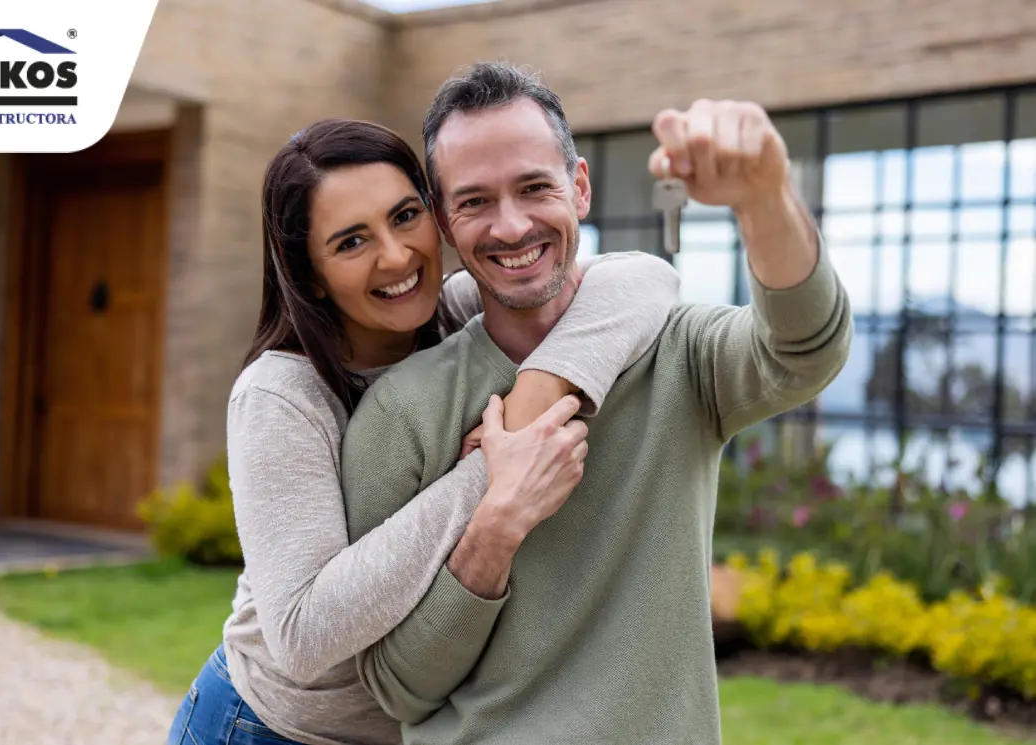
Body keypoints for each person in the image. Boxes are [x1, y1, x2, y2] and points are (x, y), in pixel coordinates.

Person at [339, 63, 853, 744]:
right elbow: (400, 687)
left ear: (578, 187)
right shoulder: (399, 414)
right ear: (442, 220)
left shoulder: (680, 353)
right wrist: (495, 528)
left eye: (534, 187)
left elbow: (805, 350)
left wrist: (763, 199)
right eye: (475, 201)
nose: (512, 225)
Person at [166, 117, 682, 745]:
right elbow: (302, 636)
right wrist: (491, 473)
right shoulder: (280, 394)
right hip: (271, 729)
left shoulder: (456, 313)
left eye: (405, 216)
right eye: (351, 242)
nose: (395, 256)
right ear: (309, 273)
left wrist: (532, 398)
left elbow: (642, 279)